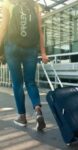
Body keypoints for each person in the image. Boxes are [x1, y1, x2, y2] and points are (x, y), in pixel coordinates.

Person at [0, 0, 49, 131]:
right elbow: (40, 31)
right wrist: (43, 53)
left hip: (12, 48)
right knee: (30, 82)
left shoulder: (7, 3)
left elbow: (3, 28)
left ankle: (22, 117)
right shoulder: (35, 6)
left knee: (17, 83)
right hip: (31, 49)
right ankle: (38, 110)